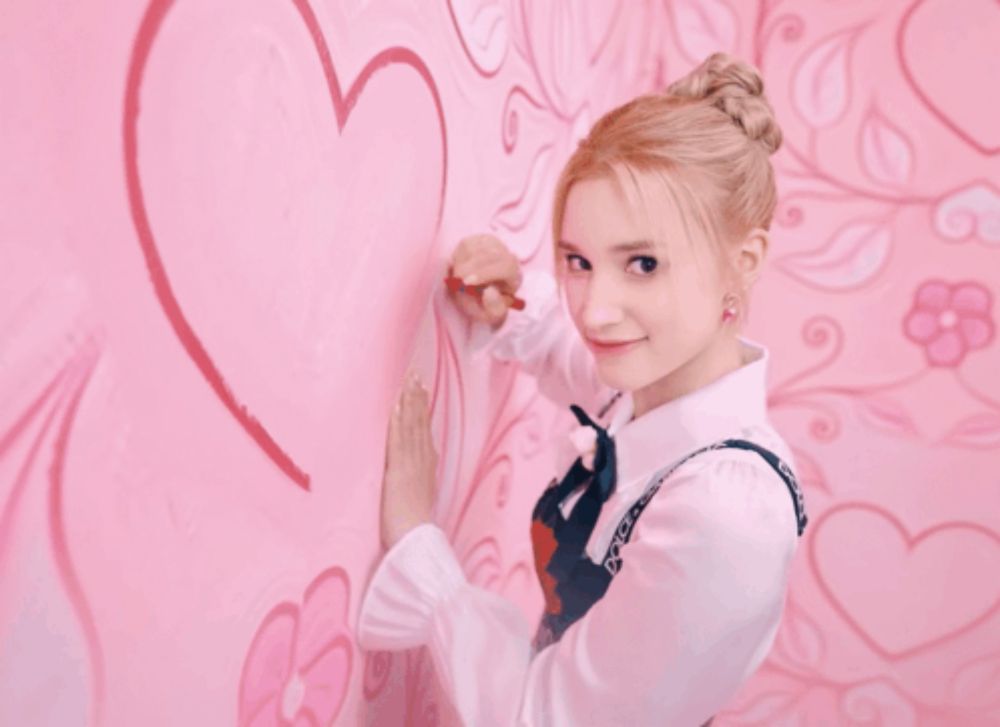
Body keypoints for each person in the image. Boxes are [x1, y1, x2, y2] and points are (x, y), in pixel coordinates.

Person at [357, 52, 809, 726]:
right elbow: (574, 356)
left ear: (740, 264)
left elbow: (547, 714)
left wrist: (420, 545)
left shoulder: (726, 516)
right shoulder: (657, 391)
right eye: (578, 260)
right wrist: (508, 301)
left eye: (643, 263)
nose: (594, 309)